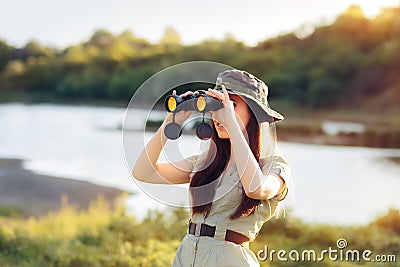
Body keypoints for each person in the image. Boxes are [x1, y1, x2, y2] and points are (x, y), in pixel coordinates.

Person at [132, 69, 291, 267]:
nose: (219, 115)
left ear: (254, 114)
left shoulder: (274, 166)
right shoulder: (206, 162)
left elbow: (255, 188)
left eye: (231, 106)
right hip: (186, 257)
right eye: (216, 106)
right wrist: (171, 122)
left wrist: (231, 125)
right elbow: (143, 172)